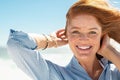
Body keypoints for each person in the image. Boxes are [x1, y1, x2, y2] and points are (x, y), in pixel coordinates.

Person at [7, 0, 120, 80]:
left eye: (92, 32)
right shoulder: (56, 76)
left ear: (103, 35)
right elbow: (15, 44)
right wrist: (51, 40)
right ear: (67, 35)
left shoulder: (115, 70)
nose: (83, 39)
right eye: (75, 31)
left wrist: (111, 52)